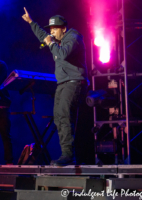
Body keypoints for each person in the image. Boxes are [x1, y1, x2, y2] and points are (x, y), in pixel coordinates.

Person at [22, 8, 88, 165]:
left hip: (74, 81)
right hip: (62, 83)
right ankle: (67, 154)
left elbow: (64, 53)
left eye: (54, 29)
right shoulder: (55, 40)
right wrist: (31, 22)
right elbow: (43, 37)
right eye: (50, 29)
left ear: (63, 28)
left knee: (65, 115)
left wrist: (51, 43)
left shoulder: (73, 37)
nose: (51, 32)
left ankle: (68, 155)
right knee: (58, 118)